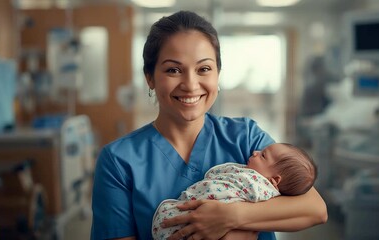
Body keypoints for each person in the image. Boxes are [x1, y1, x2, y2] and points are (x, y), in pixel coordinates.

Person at [91, 10, 327, 240]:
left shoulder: (246, 137)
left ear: (218, 74)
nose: (191, 85)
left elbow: (315, 209)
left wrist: (230, 216)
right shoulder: (119, 160)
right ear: (150, 78)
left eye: (204, 69)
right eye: (173, 70)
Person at [152, 143, 317, 239]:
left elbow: (317, 212)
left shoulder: (258, 187)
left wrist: (232, 216)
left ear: (274, 181)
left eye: (263, 156)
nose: (255, 152)